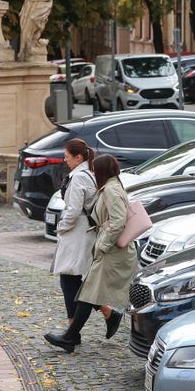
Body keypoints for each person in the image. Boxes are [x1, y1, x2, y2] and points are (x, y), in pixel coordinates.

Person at [44, 154, 134, 352]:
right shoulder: (112, 186)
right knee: (89, 292)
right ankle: (76, 334)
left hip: (111, 251)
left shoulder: (111, 189)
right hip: (109, 250)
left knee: (88, 293)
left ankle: (71, 336)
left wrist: (102, 244)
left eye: (96, 171)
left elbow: (118, 221)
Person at [51, 138, 115, 338]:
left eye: (67, 156)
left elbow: (73, 210)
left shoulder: (79, 177)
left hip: (78, 233)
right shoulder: (86, 174)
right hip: (81, 233)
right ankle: (99, 317)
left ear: (78, 157)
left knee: (71, 279)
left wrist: (62, 227)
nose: (64, 159)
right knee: (73, 279)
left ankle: (74, 331)